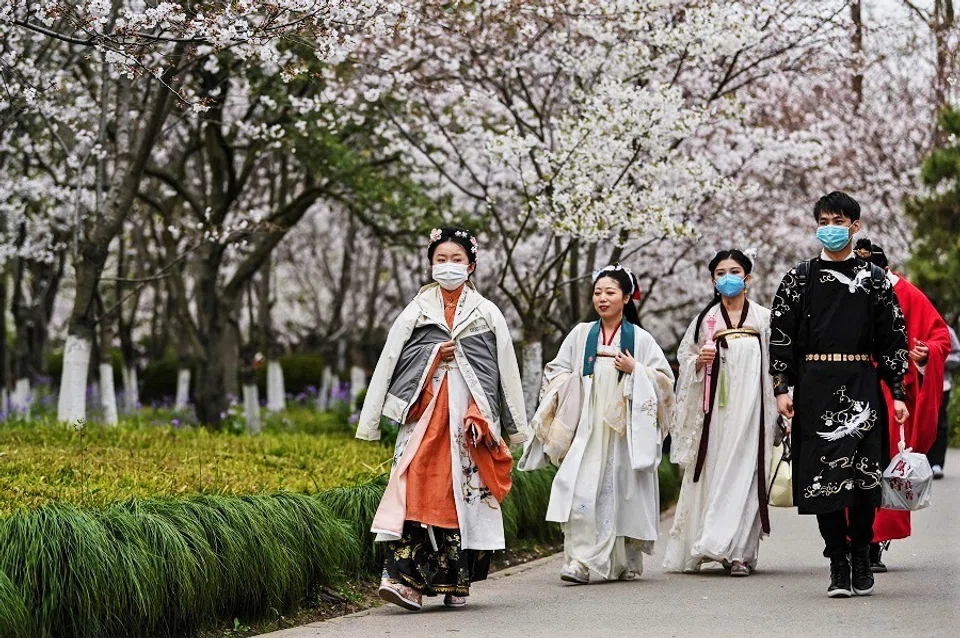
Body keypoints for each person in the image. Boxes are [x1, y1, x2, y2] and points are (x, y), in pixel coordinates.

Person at [356, 227, 528, 610]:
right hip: (425, 415)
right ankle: (407, 584)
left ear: (471, 266)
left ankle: (456, 584)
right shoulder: (416, 311)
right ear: (430, 263)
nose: (448, 266)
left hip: (469, 420)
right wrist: (435, 354)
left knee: (459, 496)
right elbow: (390, 362)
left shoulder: (486, 313)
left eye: (456, 260)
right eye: (441, 259)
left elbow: (503, 372)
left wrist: (501, 423)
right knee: (415, 487)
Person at [769, 192, 908, 599]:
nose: (830, 227)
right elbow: (781, 336)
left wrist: (897, 391)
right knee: (822, 478)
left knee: (864, 478)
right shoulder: (800, 278)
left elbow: (893, 337)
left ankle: (862, 552)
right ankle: (836, 560)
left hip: (862, 382)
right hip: (814, 385)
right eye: (824, 220)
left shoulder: (875, 279)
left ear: (855, 226)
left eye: (839, 220)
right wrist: (781, 388)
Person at [520, 264, 675, 584]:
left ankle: (620, 559)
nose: (602, 298)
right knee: (577, 487)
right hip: (588, 428)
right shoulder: (580, 335)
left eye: (610, 292)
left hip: (622, 432)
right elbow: (557, 370)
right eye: (597, 292)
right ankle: (578, 561)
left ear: (627, 297)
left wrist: (637, 370)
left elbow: (665, 382)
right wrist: (569, 383)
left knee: (621, 490)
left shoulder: (641, 339)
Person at [664, 250, 777, 577]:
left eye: (735, 271)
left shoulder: (764, 319)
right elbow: (685, 361)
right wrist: (700, 361)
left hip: (752, 411)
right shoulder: (705, 320)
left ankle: (739, 552)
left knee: (746, 473)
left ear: (748, 278)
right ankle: (706, 541)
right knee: (713, 472)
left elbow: (777, 365)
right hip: (714, 415)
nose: (728, 277)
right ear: (713, 280)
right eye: (721, 272)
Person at [853, 239, 951, 572]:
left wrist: (926, 356)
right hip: (850, 389)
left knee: (886, 465)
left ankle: (875, 541)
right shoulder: (844, 292)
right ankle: (853, 540)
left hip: (893, 394)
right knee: (851, 466)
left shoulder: (908, 294)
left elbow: (940, 336)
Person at [926, 310, 960, 480]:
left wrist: (936, 358)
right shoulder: (916, 327)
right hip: (918, 386)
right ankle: (920, 462)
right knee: (921, 424)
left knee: (940, 423)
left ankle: (936, 463)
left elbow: (957, 356)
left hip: (942, 385)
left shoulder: (947, 331)